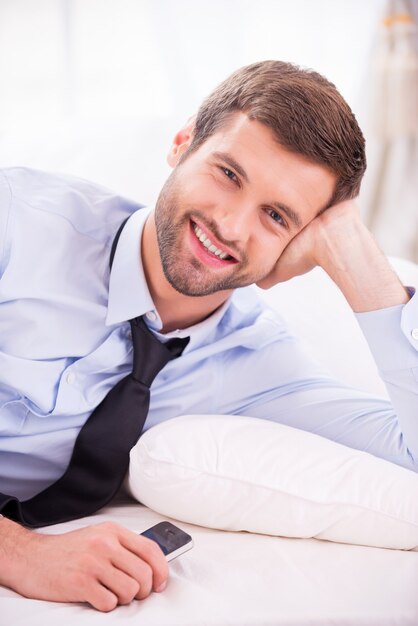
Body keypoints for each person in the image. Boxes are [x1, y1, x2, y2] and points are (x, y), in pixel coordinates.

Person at [0, 60, 417, 611]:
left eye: (276, 215)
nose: (231, 226)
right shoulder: (18, 224)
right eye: (228, 174)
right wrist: (21, 554)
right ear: (182, 143)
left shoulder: (257, 365)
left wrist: (361, 260)